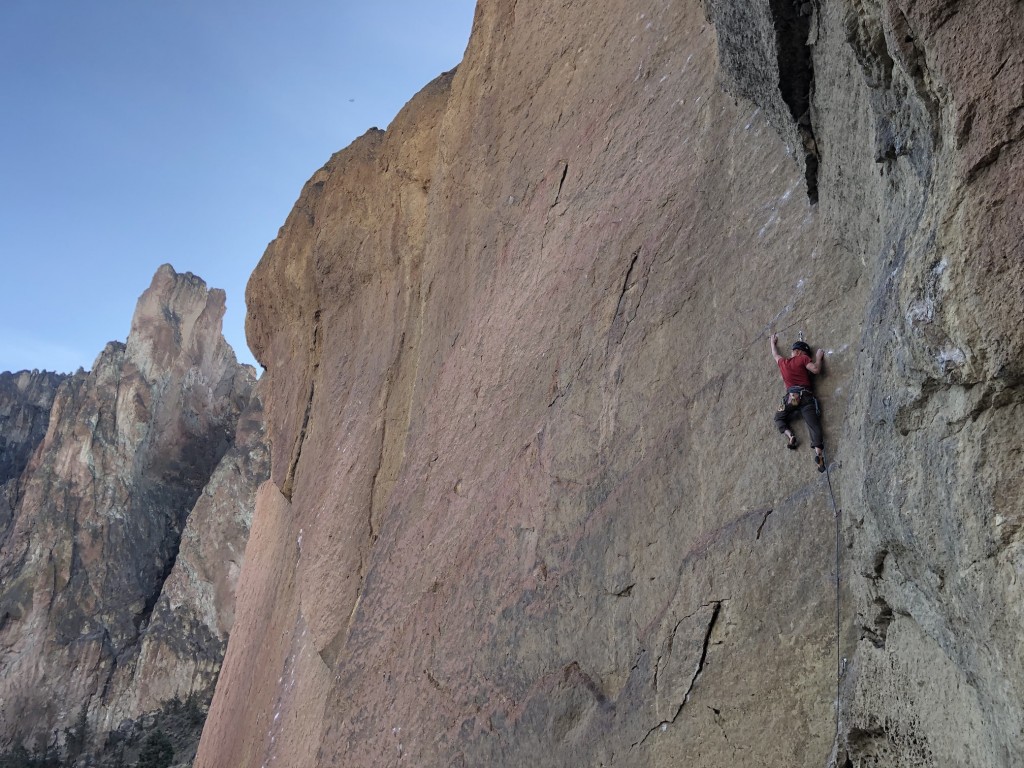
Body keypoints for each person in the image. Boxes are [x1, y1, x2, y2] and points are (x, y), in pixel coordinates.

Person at [770, 334, 826, 472]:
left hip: (791, 399)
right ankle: (818, 455)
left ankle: (790, 436)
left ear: (794, 351)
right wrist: (818, 358)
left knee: (778, 417)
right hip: (805, 396)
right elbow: (816, 370)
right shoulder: (803, 358)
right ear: (800, 352)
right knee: (813, 426)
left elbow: (775, 354)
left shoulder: (783, 363)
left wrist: (773, 342)